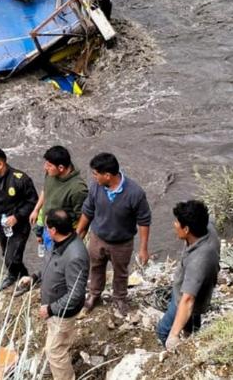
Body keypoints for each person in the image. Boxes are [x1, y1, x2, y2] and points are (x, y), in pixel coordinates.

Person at [76, 153, 152, 316]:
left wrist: (143, 248)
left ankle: (119, 298)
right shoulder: (96, 187)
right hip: (98, 238)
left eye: (96, 174)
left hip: (122, 242)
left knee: (121, 271)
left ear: (108, 175)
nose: (94, 177)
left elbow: (144, 221)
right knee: (95, 268)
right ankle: (94, 295)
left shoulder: (135, 193)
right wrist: (78, 235)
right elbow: (87, 211)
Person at [156, 200, 221, 352]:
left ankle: (171, 354)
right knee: (192, 325)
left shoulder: (199, 260)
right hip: (194, 288)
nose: (174, 225)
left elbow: (187, 300)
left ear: (186, 229)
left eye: (177, 223)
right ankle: (191, 335)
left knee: (163, 330)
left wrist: (173, 335)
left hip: (185, 297)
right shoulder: (207, 227)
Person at [39, 209, 89, 380]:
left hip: (62, 313)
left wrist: (51, 309)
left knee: (55, 351)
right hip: (53, 308)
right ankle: (49, 370)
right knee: (53, 343)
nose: (45, 230)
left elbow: (76, 294)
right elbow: (51, 265)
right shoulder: (59, 242)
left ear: (53, 230)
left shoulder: (75, 256)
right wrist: (33, 278)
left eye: (46, 227)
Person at [0, 148, 39, 291]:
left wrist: (17, 217)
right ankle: (16, 276)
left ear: (0, 164)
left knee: (12, 257)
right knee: (6, 254)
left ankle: (24, 278)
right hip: (3, 223)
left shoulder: (20, 179)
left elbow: (33, 201)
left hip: (20, 224)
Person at [30, 146, 88, 251]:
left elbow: (83, 218)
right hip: (47, 228)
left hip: (62, 236)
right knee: (49, 261)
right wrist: (36, 210)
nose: (45, 168)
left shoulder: (78, 189)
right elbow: (46, 189)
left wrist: (74, 244)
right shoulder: (51, 173)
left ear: (61, 168)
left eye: (49, 165)